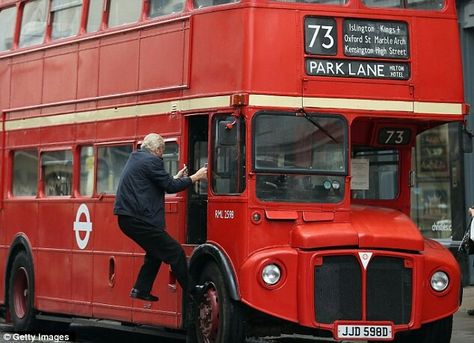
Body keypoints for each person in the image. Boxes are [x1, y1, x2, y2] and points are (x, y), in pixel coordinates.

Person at [114, 133, 208, 302]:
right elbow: (170, 187)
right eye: (162, 151)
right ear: (157, 149)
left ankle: (141, 289)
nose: (162, 155)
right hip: (138, 218)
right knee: (176, 252)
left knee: (155, 252)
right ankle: (193, 290)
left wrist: (177, 178)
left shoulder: (137, 158)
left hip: (128, 218)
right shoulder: (151, 161)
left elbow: (158, 183)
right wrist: (196, 177)